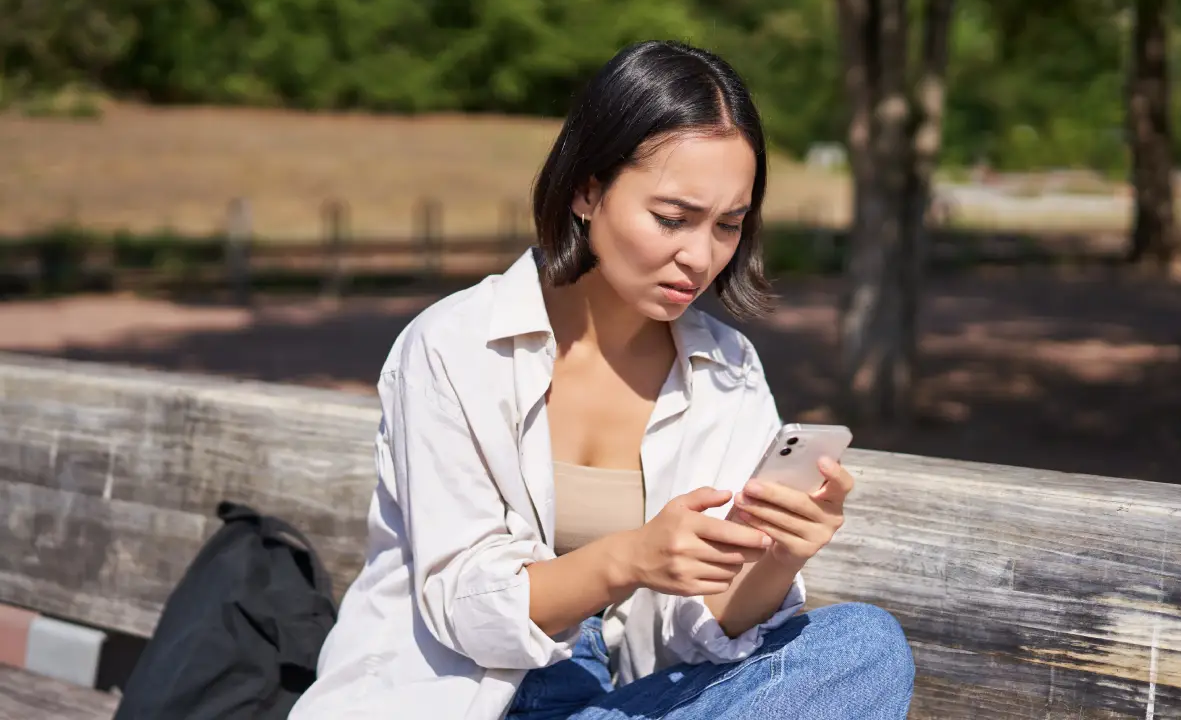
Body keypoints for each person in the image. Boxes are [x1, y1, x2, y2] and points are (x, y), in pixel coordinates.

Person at [289, 40, 914, 720]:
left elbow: (700, 636)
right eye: (672, 219)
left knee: (865, 645)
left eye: (729, 225)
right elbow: (464, 612)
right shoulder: (455, 346)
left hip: (611, 702)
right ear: (588, 190)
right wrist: (629, 560)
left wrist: (780, 558)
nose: (700, 257)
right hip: (463, 698)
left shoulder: (727, 369)